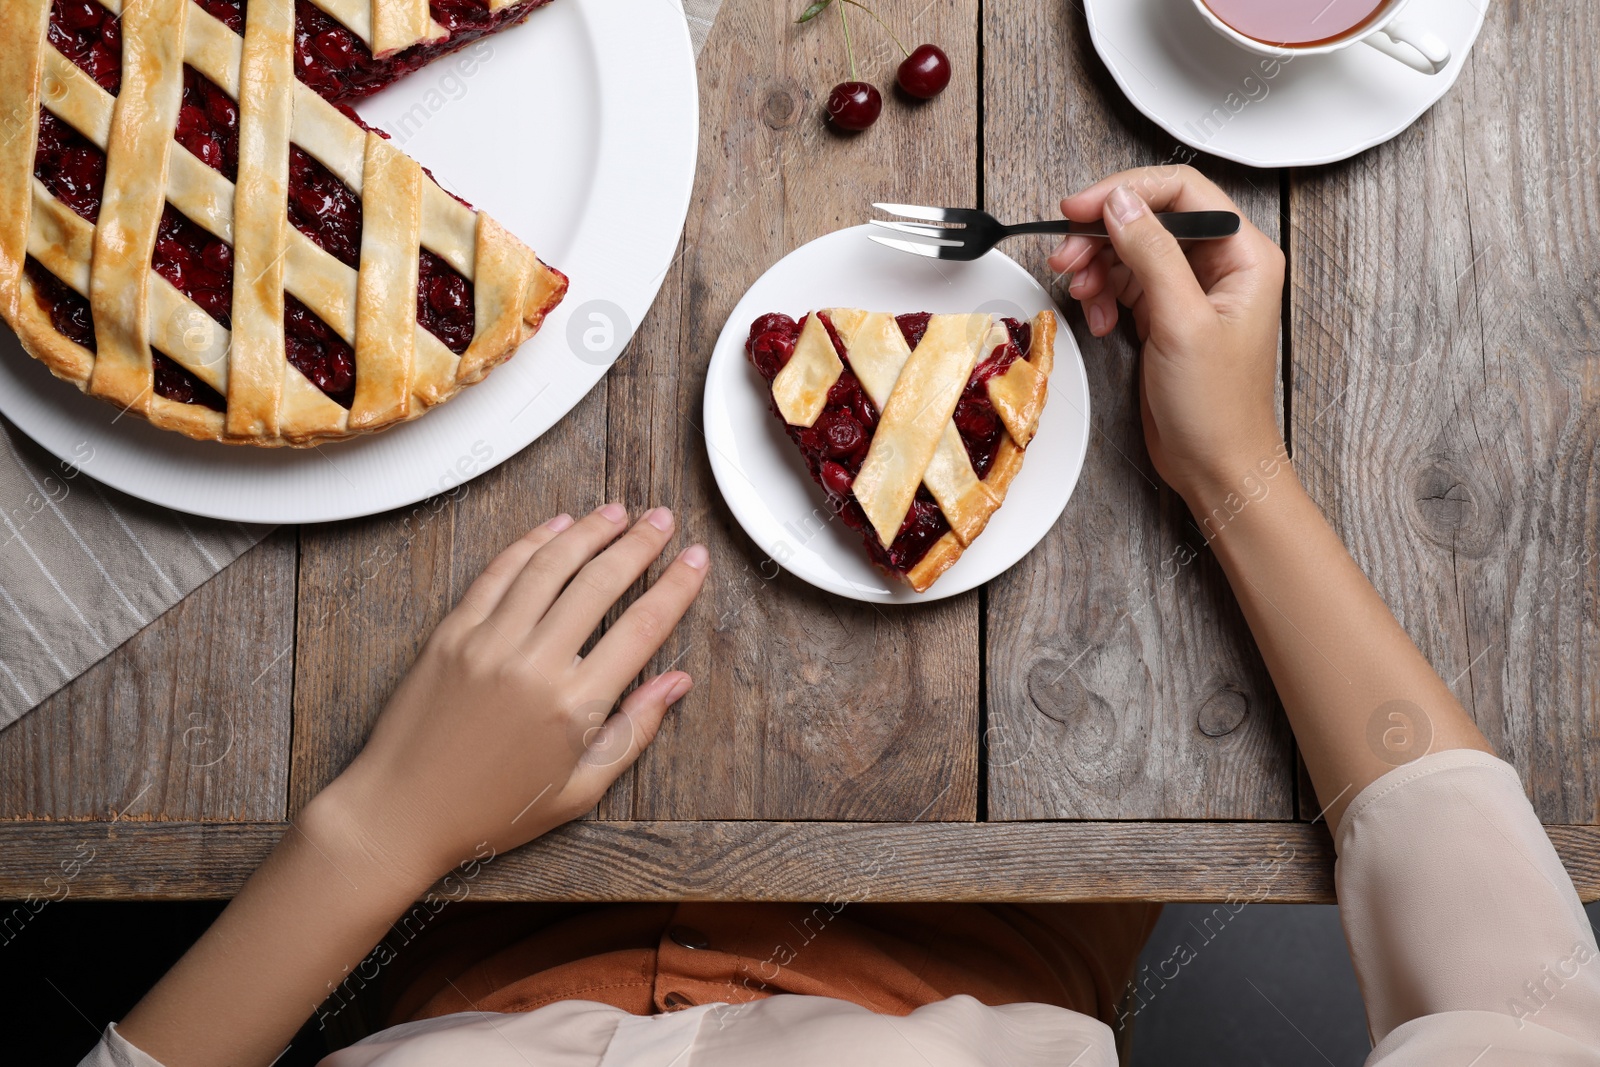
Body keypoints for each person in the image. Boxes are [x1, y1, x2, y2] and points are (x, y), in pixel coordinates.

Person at [80, 167, 1600, 1066]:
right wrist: (1236, 472)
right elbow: (1518, 995)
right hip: (1002, 935)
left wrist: (374, 836)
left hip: (444, 925)